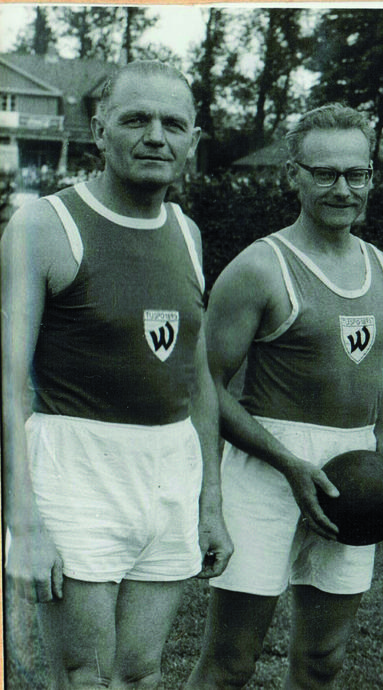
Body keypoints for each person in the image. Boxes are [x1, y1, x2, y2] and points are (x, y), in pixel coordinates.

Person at [1, 60, 232, 688]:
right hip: (75, 471)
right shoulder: (46, 226)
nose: (156, 135)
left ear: (192, 139)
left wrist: (210, 501)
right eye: (136, 119)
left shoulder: (187, 232)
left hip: (166, 474)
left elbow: (200, 377)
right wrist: (23, 525)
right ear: (99, 131)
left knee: (139, 673)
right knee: (85, 676)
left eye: (173, 124)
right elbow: (6, 384)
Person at [184, 103, 383, 689]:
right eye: (324, 172)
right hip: (267, 469)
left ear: (371, 177)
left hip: (354, 478)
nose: (341, 188)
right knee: (231, 663)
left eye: (356, 174)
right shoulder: (261, 266)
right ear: (292, 176)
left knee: (323, 661)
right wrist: (286, 462)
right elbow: (201, 383)